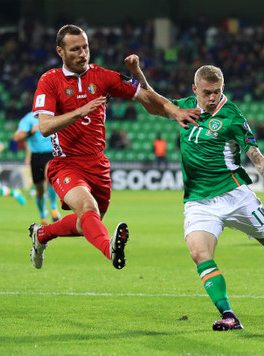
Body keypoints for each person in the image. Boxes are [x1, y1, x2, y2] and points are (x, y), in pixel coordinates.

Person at [127, 61, 264, 331]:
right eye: (207, 92)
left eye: (217, 92)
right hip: (199, 201)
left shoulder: (232, 116)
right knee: (199, 253)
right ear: (195, 89)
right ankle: (229, 316)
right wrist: (136, 73)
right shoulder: (185, 107)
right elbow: (152, 102)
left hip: (235, 197)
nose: (212, 98)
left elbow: (256, 158)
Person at [28, 24, 200, 270]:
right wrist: (80, 112)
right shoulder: (50, 80)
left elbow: (148, 100)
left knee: (87, 222)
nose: (82, 53)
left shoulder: (103, 77)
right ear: (60, 51)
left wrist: (176, 110)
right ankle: (110, 249)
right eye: (75, 49)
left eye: (85, 47)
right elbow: (45, 127)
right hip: (66, 163)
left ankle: (42, 234)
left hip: (98, 164)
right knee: (88, 209)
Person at [13, 111, 61, 225]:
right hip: (36, 156)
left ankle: (54, 207)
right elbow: (17, 137)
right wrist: (30, 132)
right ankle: (42, 213)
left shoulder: (54, 114)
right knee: (39, 191)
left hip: (51, 153)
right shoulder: (29, 118)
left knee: (49, 176)